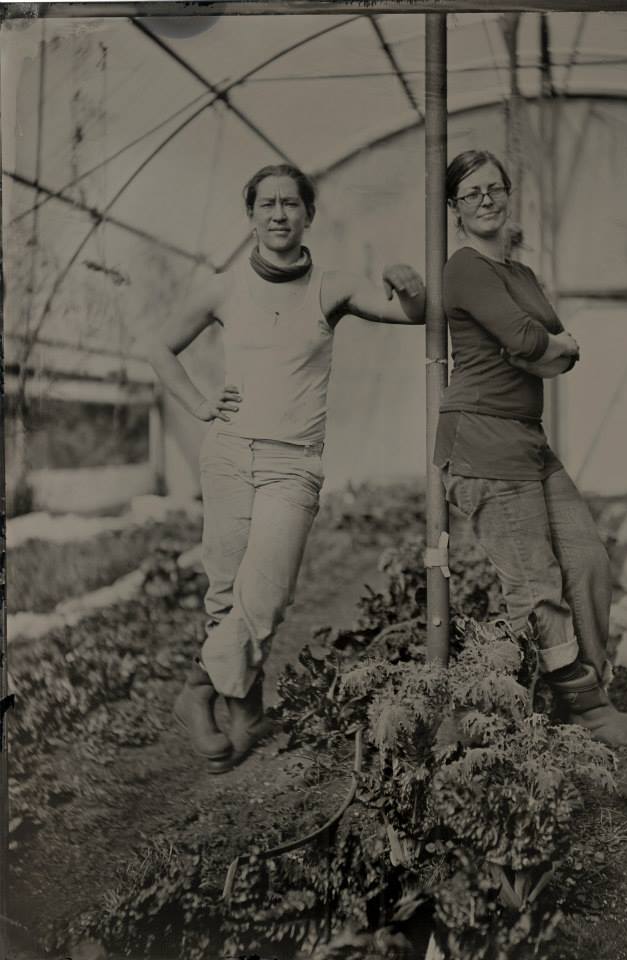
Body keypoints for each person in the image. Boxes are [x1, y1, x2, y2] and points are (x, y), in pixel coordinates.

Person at [142, 163, 425, 773]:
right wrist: (198, 403)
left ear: (307, 215)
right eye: (266, 204)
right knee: (226, 593)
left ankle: (195, 691)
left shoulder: (333, 286)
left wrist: (410, 285)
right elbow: (158, 347)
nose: (278, 214)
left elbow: (413, 314)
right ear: (251, 216)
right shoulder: (222, 288)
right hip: (228, 455)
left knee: (265, 595)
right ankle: (245, 709)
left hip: (292, 463)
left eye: (290, 204)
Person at [435, 149, 627, 751]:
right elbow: (533, 337)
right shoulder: (465, 267)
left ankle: (568, 685)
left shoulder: (521, 275)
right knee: (535, 586)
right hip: (482, 440)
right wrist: (544, 344)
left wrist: (545, 346)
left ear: (508, 194)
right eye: (471, 192)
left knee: (588, 560)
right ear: (454, 207)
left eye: (494, 188)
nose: (485, 199)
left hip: (530, 438)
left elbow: (558, 350)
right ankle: (578, 705)